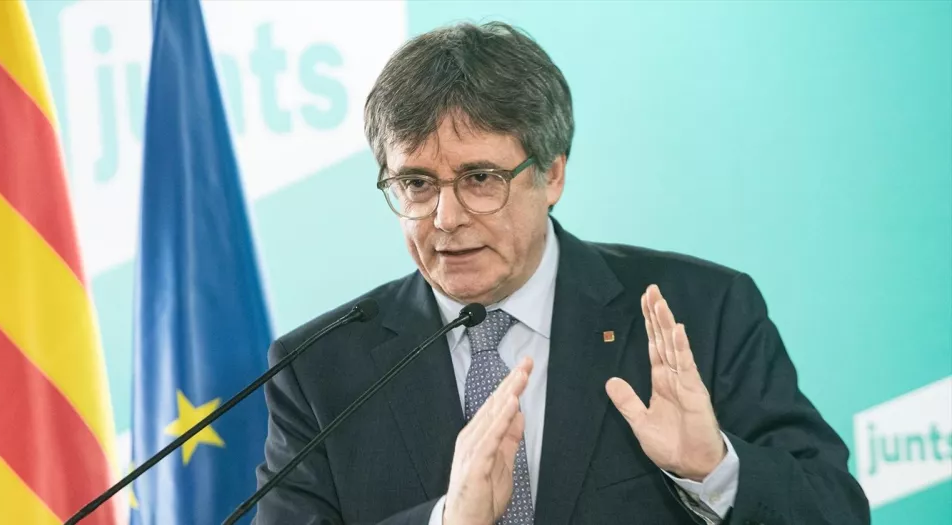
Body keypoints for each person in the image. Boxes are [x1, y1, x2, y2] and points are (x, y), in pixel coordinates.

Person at [253, 21, 869, 525]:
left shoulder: (702, 313)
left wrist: (715, 470)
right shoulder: (319, 370)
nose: (445, 218)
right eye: (416, 183)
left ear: (552, 174)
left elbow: (837, 512)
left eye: (480, 178)